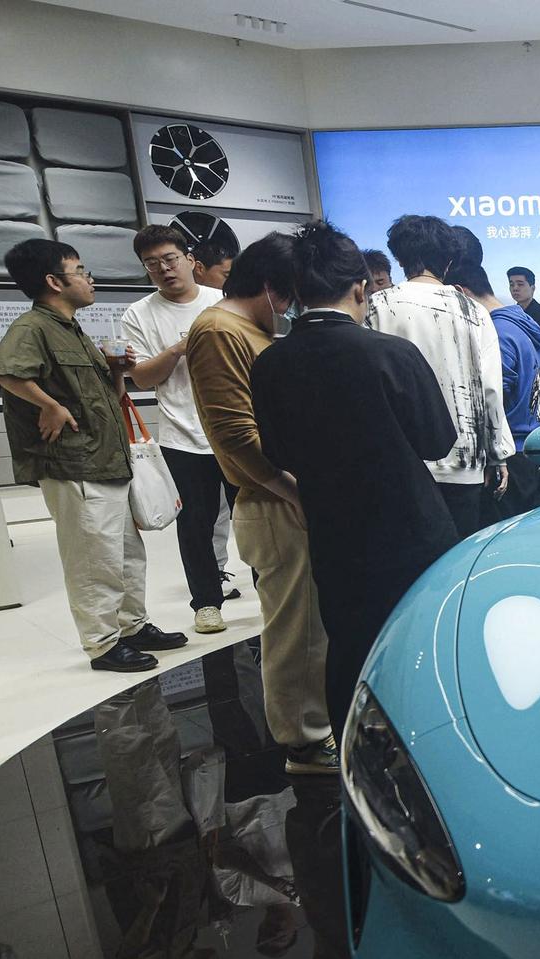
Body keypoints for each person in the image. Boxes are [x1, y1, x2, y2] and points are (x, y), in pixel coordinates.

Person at [251, 220, 460, 733]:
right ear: (360, 287)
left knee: (346, 646)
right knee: (419, 643)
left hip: (332, 530)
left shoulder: (271, 364)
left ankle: (351, 752)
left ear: (296, 291)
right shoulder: (390, 354)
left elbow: (277, 452)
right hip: (411, 529)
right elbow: (438, 440)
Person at [0, 239, 185, 672]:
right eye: (80, 270)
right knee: (93, 558)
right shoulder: (32, 328)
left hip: (106, 459)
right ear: (53, 281)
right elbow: (6, 370)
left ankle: (133, 625)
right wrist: (50, 405)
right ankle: (102, 643)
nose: (89, 278)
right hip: (74, 464)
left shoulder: (74, 330)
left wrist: (115, 371)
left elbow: (108, 397)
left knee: (125, 553)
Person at [183, 234, 338, 776]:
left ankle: (314, 726)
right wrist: (289, 488)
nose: (293, 309)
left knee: (311, 625)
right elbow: (233, 434)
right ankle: (303, 739)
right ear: (271, 287)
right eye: (291, 296)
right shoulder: (219, 330)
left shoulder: (248, 328)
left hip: (286, 496)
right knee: (295, 630)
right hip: (273, 503)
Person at [363, 214, 512, 537]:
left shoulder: (376, 306)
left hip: (398, 464)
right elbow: (490, 389)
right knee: (454, 565)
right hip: (463, 463)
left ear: (400, 258)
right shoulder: (473, 311)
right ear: (448, 260)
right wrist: (498, 455)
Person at [121, 225, 232, 635]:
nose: (164, 269)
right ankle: (206, 603)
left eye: (170, 259)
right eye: (152, 264)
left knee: (257, 517)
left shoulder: (222, 301)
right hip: (180, 435)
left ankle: (268, 589)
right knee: (195, 524)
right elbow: (143, 379)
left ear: (190, 260)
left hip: (235, 428)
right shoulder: (139, 314)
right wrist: (178, 349)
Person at [450, 252, 540, 518]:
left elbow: (495, 400)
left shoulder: (498, 332)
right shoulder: (522, 324)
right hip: (528, 449)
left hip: (508, 457)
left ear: (462, 292)